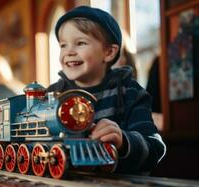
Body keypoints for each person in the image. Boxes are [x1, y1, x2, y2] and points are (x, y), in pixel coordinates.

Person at [47, 6, 166, 174]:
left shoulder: (130, 92)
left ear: (109, 52)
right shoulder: (52, 95)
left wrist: (124, 141)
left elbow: (155, 149)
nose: (69, 52)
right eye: (63, 45)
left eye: (80, 43)